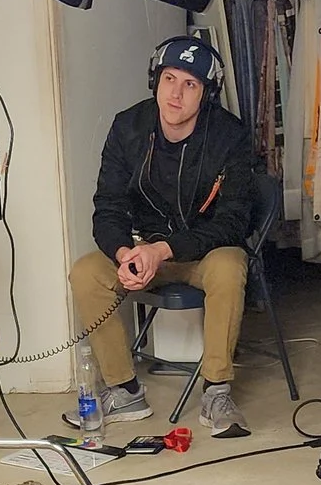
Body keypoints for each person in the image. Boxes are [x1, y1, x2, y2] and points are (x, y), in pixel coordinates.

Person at [69, 31, 261, 438]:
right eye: (169, 78)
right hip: (143, 249)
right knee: (86, 272)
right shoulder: (128, 127)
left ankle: (216, 391)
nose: (176, 94)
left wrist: (165, 249)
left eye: (190, 84)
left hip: (202, 253)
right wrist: (124, 252)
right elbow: (108, 206)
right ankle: (124, 390)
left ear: (206, 94)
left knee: (230, 266)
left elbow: (233, 222)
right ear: (155, 80)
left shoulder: (229, 135)